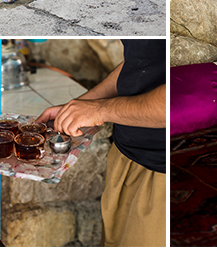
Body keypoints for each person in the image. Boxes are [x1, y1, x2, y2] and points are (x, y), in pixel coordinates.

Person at [37, 39, 166, 247]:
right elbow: (142, 62)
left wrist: (99, 110)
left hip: (159, 176)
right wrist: (81, 106)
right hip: (124, 158)